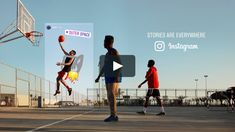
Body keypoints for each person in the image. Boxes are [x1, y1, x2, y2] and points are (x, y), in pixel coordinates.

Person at [95, 35, 121, 122]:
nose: (103, 43)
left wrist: (117, 75)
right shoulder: (107, 54)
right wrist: (98, 77)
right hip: (107, 76)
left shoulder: (114, 51)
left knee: (111, 95)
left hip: (113, 76)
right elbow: (105, 67)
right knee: (109, 96)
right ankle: (113, 115)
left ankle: (113, 115)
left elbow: (120, 64)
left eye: (104, 41)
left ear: (108, 42)